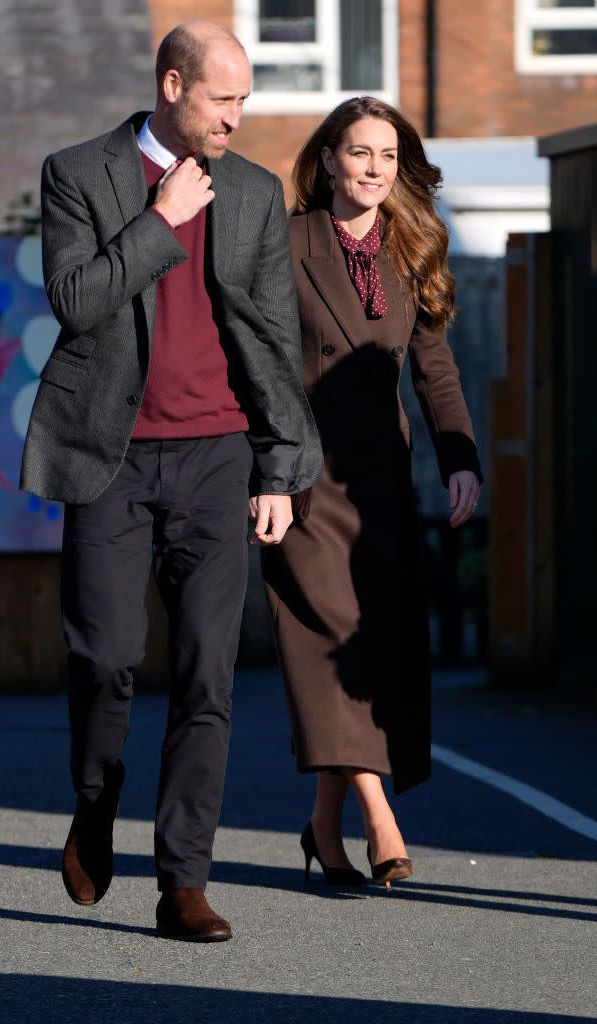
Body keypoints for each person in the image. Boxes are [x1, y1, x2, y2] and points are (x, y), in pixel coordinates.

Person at [20, 21, 322, 941]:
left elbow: (272, 337)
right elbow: (74, 302)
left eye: (242, 102)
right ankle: (94, 802)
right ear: (172, 84)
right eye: (222, 100)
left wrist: (279, 464)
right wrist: (161, 222)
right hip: (108, 454)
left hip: (218, 454)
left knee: (207, 674)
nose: (236, 118)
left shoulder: (256, 191)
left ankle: (184, 880)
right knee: (103, 658)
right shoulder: (78, 173)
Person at [261, 96, 482, 888]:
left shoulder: (413, 246)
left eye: (386, 157)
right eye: (358, 153)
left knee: (366, 646)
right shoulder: (283, 244)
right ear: (326, 160)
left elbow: (435, 368)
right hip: (302, 477)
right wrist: (267, 471)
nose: (373, 169)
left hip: (379, 479)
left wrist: (459, 457)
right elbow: (258, 366)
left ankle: (323, 829)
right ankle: (377, 812)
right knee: (326, 637)